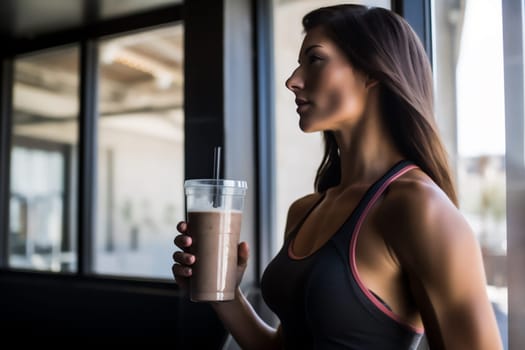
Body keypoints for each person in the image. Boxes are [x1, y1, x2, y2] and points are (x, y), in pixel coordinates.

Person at [173, 4, 503, 349]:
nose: (292, 80)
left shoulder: (419, 208)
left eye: (314, 60)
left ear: (373, 71)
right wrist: (224, 293)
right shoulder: (304, 211)